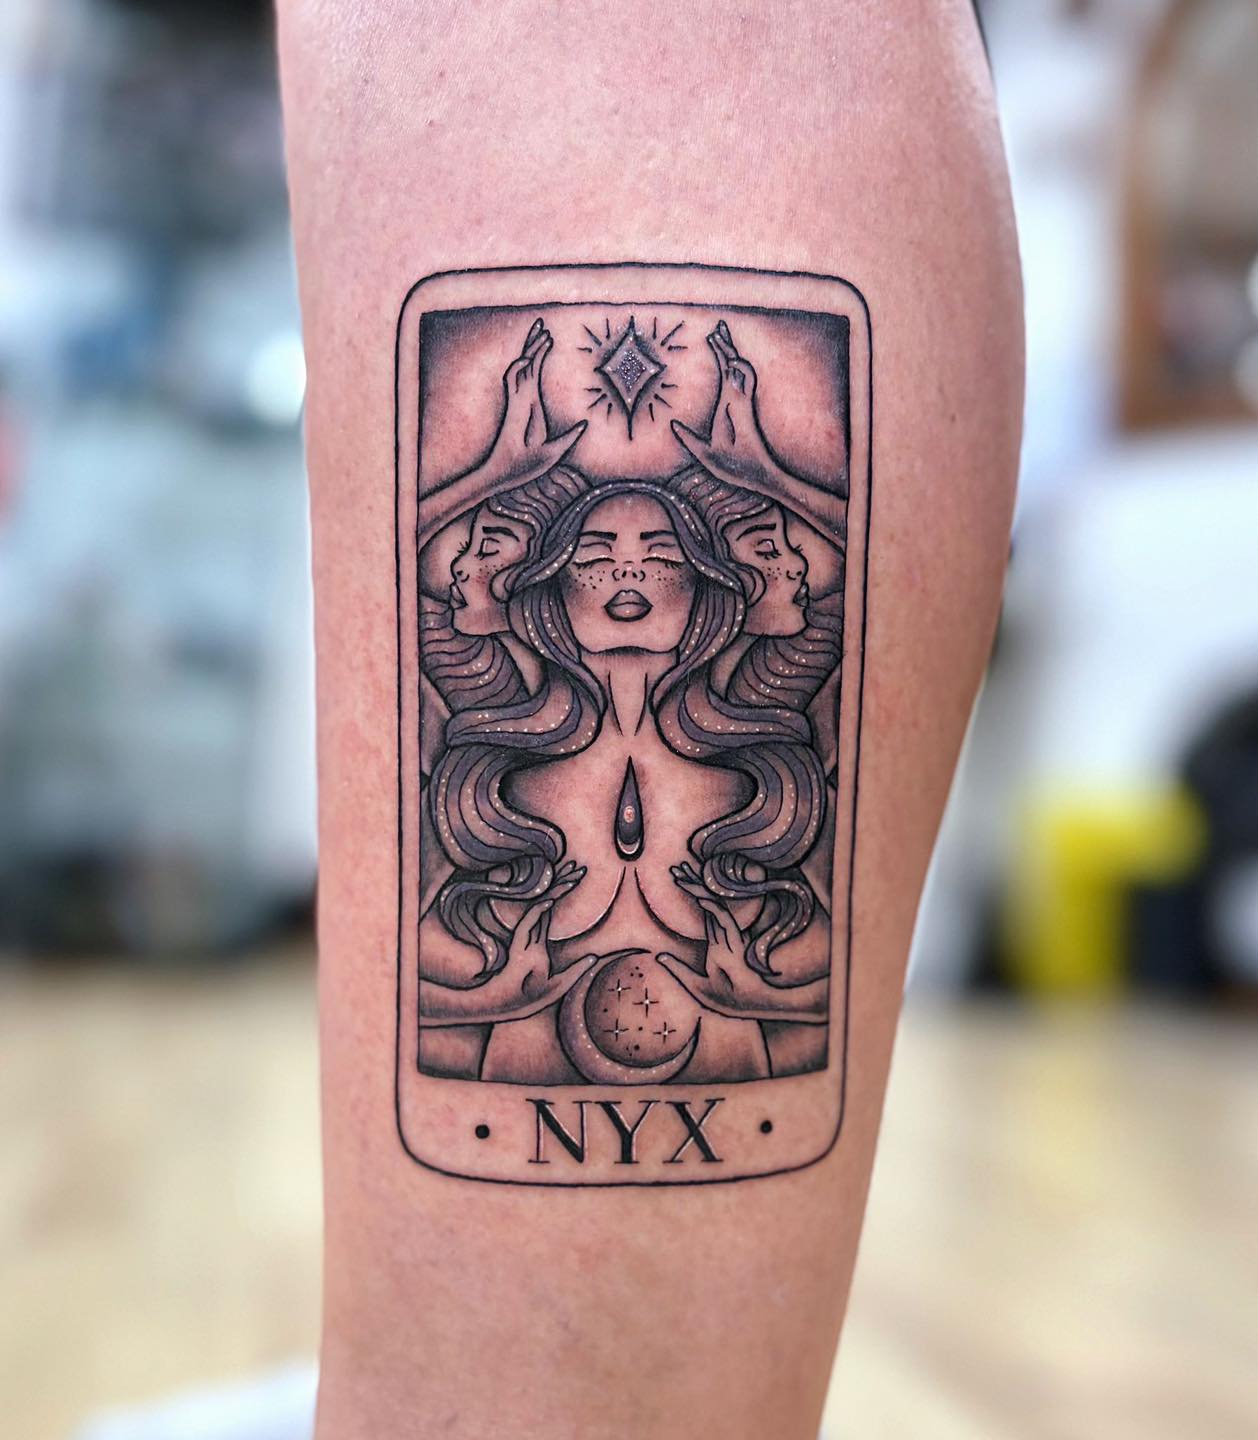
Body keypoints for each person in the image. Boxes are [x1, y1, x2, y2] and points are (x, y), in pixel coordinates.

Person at [276, 2, 1022, 1436]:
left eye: (660, 556)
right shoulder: (520, 717)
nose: (626, 580)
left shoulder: (738, 720)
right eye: (596, 557)